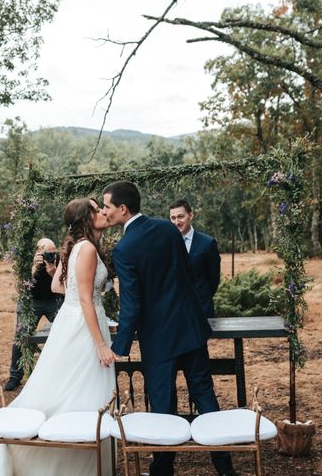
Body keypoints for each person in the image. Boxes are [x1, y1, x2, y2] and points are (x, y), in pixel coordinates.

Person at [0, 198, 116, 476]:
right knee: (78, 390)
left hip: (77, 322)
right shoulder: (85, 249)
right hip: (83, 327)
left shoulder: (81, 247)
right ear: (87, 217)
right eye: (97, 209)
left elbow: (58, 285)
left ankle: (82, 462)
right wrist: (100, 344)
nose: (103, 213)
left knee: (76, 389)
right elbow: (84, 299)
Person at [102, 182, 237, 476]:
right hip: (190, 329)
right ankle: (225, 468)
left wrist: (120, 346)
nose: (104, 212)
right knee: (205, 394)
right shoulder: (167, 228)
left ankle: (163, 471)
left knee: (163, 404)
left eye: (107, 207)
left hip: (159, 338)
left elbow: (132, 304)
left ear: (123, 209)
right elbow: (187, 276)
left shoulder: (124, 249)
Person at [4, 237, 62, 391]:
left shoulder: (60, 259)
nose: (49, 256)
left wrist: (53, 271)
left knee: (65, 331)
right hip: (31, 301)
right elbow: (20, 289)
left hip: (53, 300)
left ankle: (61, 371)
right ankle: (15, 376)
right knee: (21, 335)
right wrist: (33, 269)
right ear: (37, 252)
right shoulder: (27, 260)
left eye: (52, 253)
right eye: (45, 253)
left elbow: (64, 285)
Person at [169, 199, 221, 318]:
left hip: (201, 310)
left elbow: (214, 278)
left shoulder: (207, 243)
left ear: (191, 215)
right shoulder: (165, 244)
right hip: (173, 312)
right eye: (173, 218)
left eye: (180, 216)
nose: (177, 222)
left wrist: (202, 297)